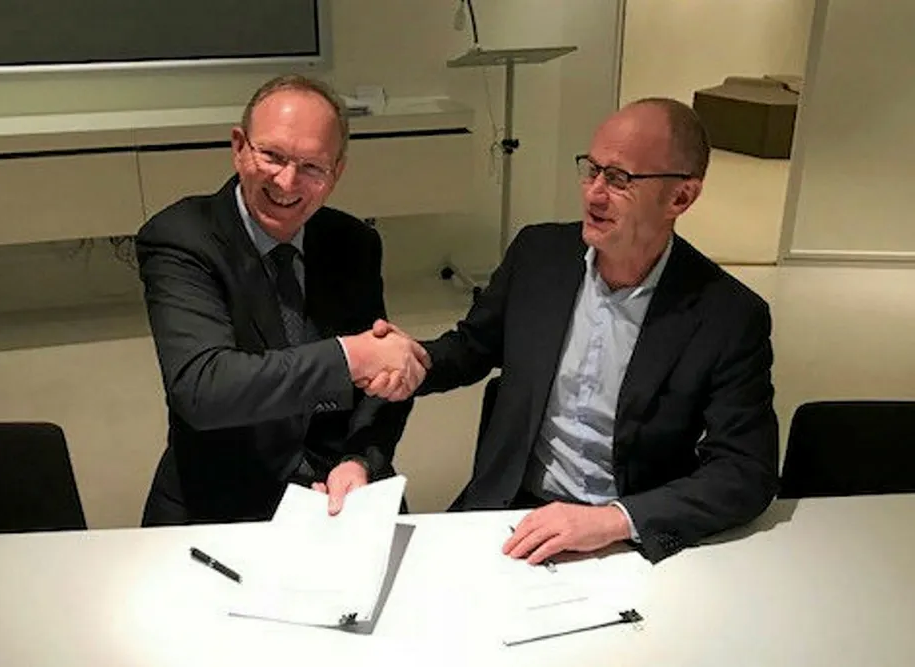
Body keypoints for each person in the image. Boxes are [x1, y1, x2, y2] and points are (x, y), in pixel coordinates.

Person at [367, 98, 779, 563]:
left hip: (627, 534)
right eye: (592, 170)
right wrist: (410, 359)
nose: (594, 194)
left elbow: (746, 470)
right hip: (512, 507)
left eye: (619, 179)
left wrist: (614, 520)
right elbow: (472, 347)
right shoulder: (539, 255)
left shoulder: (727, 314)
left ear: (680, 197)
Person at [136, 74, 429, 526]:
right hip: (222, 502)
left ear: (337, 171)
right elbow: (203, 387)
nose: (287, 181)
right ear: (239, 147)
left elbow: (378, 382)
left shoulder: (353, 241)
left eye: (312, 166)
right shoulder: (181, 237)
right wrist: (350, 357)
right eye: (272, 155)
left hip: (338, 498)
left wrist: (360, 460)